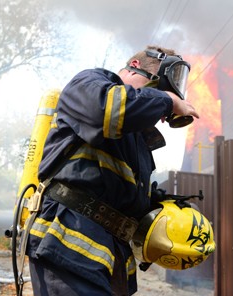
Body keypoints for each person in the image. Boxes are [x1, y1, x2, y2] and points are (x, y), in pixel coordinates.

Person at [27, 45, 199, 295]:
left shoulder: (135, 141)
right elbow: (107, 109)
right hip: (68, 242)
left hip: (110, 255)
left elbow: (124, 196)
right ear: (135, 67)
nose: (159, 111)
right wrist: (168, 100)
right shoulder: (89, 83)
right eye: (156, 92)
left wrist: (169, 212)